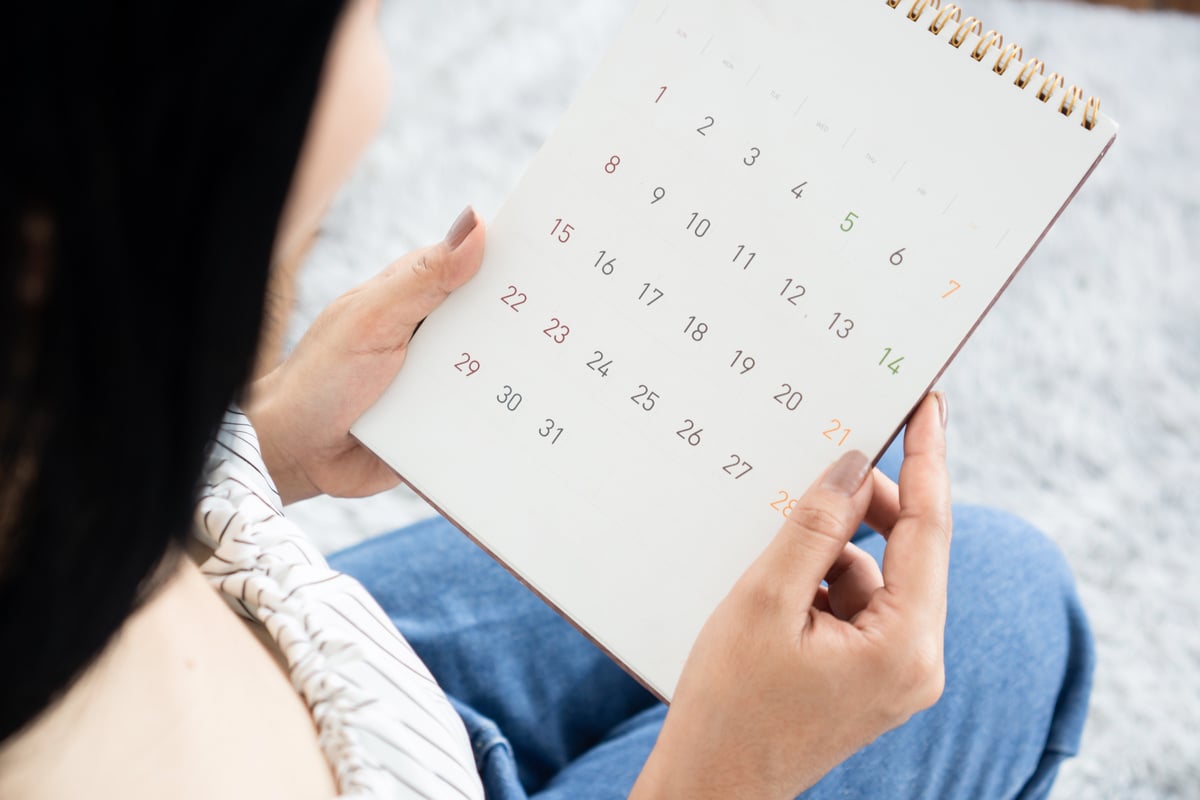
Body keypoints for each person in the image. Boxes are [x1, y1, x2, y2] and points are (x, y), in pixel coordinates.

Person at [0, 0, 1095, 797]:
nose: (375, 66)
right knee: (1003, 604)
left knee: (827, 511)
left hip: (303, 643)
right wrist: (725, 771)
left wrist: (269, 439)